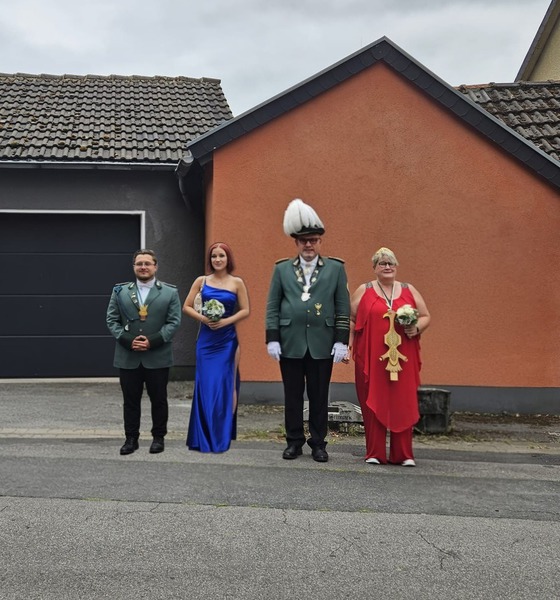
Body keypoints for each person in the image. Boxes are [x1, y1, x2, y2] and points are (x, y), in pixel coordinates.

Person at [266, 199, 350, 463]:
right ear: (296, 243)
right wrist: (272, 338)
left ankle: (318, 443)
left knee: (319, 396)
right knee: (292, 396)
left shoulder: (335, 269)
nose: (309, 245)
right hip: (290, 342)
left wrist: (341, 341)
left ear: (320, 242)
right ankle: (294, 442)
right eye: (304, 241)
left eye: (313, 240)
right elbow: (273, 306)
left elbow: (342, 306)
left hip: (321, 342)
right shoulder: (282, 269)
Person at [349, 247, 430, 466]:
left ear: (396, 266)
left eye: (391, 263)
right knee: (373, 400)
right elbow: (351, 319)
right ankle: (375, 452)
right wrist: (348, 344)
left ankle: (403, 454)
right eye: (382, 263)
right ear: (374, 267)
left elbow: (425, 316)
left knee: (402, 400)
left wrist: (416, 327)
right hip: (372, 357)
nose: (387, 267)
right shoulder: (364, 290)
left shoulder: (408, 289)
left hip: (403, 356)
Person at [106, 249, 182, 455]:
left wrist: (152, 341)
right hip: (128, 355)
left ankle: (158, 438)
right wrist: (128, 340)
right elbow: (111, 320)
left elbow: (173, 322)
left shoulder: (169, 292)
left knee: (159, 400)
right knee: (130, 401)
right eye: (139, 263)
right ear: (134, 267)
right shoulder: (120, 291)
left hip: (157, 356)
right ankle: (131, 439)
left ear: (155, 267)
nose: (143, 267)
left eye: (147, 263)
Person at [183, 242, 250, 453]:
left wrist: (226, 321)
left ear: (228, 258)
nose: (217, 259)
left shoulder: (237, 282)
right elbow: (186, 306)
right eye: (214, 256)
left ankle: (222, 434)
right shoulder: (201, 281)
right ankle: (202, 435)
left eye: (221, 255)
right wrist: (204, 318)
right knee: (205, 385)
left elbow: (245, 310)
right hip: (206, 340)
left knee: (226, 385)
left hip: (227, 340)